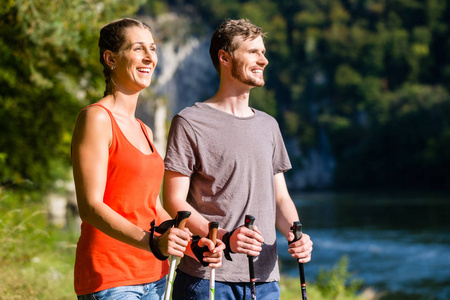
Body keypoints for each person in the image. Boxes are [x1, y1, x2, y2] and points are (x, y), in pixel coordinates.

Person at [71, 18, 224, 300]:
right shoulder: (96, 118)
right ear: (110, 58)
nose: (149, 57)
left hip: (155, 276)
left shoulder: (144, 129)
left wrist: (192, 245)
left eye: (152, 49)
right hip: (111, 278)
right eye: (138, 48)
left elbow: (151, 206)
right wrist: (153, 243)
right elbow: (90, 207)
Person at [163, 18, 313, 299]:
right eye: (254, 52)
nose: (264, 60)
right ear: (225, 58)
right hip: (208, 278)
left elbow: (279, 198)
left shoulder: (268, 125)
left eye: (264, 52)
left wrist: (297, 235)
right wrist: (224, 238)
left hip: (266, 280)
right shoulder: (190, 121)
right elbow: (173, 200)